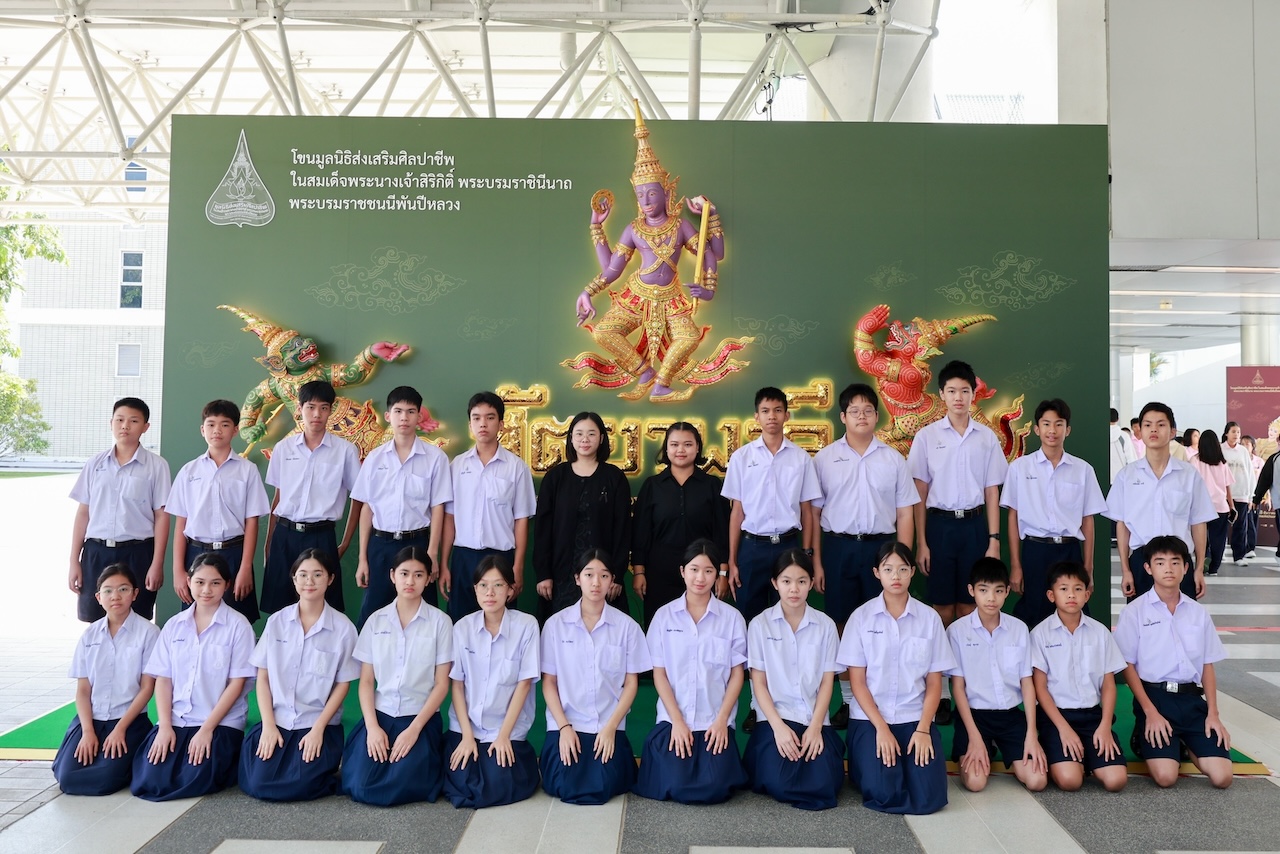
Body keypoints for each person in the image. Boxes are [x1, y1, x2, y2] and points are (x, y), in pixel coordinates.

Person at [811, 382, 917, 727]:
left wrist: (902, 561)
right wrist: (816, 561)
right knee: (842, 623)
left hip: (881, 549)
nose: (861, 416)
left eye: (868, 410)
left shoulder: (893, 459)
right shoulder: (825, 459)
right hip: (838, 547)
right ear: (843, 417)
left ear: (876, 416)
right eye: (854, 411)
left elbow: (905, 513)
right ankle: (846, 701)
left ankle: (879, 697)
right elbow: (814, 514)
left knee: (882, 621)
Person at [840, 542, 955, 815]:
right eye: (888, 569)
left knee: (930, 797)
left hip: (914, 717)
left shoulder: (929, 618)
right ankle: (867, 767)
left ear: (912, 572)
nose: (896, 576)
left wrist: (924, 729)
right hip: (871, 720)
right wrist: (881, 728)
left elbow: (934, 683)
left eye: (903, 569)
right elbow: (857, 683)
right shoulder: (861, 618)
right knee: (884, 793)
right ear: (876, 573)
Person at [131, 553, 256, 801]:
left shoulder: (239, 626)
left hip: (219, 721)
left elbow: (237, 684)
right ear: (188, 582)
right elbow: (163, 679)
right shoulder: (174, 625)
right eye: (199, 582)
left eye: (215, 583)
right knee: (149, 779)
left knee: (197, 777)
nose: (206, 590)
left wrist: (207, 729)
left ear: (227, 585)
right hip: (178, 719)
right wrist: (164, 726)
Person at [633, 539, 749, 804]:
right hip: (674, 720)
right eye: (694, 570)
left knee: (715, 789)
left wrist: (721, 721)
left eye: (708, 571)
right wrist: (677, 721)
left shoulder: (732, 619)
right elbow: (659, 674)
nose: (700, 578)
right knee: (673, 784)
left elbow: (737, 675)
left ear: (717, 575)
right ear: (682, 571)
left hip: (714, 721)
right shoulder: (664, 617)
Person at [239, 549, 360, 801]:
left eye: (318, 574)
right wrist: (268, 725)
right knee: (258, 783)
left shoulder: (343, 628)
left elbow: (342, 686)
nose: (309, 581)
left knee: (301, 785)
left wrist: (318, 729)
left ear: (330, 579)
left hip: (316, 723)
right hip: (278, 720)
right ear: (294, 579)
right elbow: (263, 678)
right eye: (302, 575)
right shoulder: (277, 622)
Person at [1114, 536, 1232, 789]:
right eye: (1160, 562)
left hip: (1191, 701)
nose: (1168, 568)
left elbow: (1207, 665)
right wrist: (1149, 712)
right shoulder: (1134, 612)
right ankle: (1145, 733)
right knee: (1166, 777)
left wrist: (1213, 714)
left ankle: (1185, 740)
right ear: (1148, 568)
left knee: (1222, 778)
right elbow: (1127, 666)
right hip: (1155, 699)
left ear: (1186, 567)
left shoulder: (1198, 613)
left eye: (1175, 562)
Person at [342, 546, 453, 806]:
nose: (410, 581)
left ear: (428, 579)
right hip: (381, 716)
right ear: (392, 576)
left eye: (418, 574)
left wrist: (414, 730)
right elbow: (366, 682)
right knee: (359, 783)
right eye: (404, 573)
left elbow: (441, 685)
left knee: (405, 784)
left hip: (419, 718)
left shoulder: (441, 622)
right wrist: (372, 728)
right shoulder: (375, 621)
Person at [540, 549, 651, 805]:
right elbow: (549, 683)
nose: (596, 582)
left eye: (604, 575)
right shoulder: (555, 625)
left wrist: (610, 728)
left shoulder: (627, 627)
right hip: (567, 723)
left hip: (608, 724)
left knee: (607, 783)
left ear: (612, 580)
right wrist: (564, 728)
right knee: (562, 783)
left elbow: (631, 683)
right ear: (577, 578)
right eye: (589, 575)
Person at [907, 360, 1007, 628]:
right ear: (942, 394)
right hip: (939, 527)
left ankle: (966, 656)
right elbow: (920, 493)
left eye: (964, 391)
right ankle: (941, 657)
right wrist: (922, 543)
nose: (958, 397)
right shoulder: (926, 436)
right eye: (951, 391)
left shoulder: (986, 437)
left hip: (974, 527)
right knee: (941, 607)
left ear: (973, 394)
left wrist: (994, 540)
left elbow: (992, 492)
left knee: (969, 605)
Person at [744, 549, 845, 811]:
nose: (794, 589)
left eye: (801, 581)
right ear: (775, 583)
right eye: (786, 581)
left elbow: (827, 683)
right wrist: (778, 728)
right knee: (780, 781)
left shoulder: (826, 626)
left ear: (811, 583)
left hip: (813, 716)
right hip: (775, 718)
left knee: (825, 783)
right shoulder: (760, 625)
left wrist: (815, 727)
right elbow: (758, 683)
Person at [444, 554, 542, 809]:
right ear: (475, 589)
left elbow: (524, 685)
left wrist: (503, 736)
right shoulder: (462, 628)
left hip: (505, 728)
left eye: (498, 585)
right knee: (462, 781)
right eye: (483, 585)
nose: (490, 592)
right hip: (467, 727)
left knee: (498, 784)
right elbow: (457, 685)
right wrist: (467, 736)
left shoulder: (526, 626)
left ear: (510, 589)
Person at [53, 564, 159, 795]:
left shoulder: (149, 633)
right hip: (92, 720)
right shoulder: (89, 635)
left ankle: (129, 759)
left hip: (128, 721)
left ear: (135, 593)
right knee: (66, 777)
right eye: (108, 590)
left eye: (123, 589)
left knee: (106, 780)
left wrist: (120, 729)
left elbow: (146, 689)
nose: (115, 596)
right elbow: (83, 690)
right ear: (98, 597)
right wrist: (87, 731)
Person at [351, 386, 452, 628]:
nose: (404, 417)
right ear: (388, 416)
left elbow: (438, 508)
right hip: (381, 545)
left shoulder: (435, 458)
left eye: (410, 411)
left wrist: (433, 553)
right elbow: (367, 508)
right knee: (373, 615)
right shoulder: (375, 458)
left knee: (424, 617)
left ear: (419, 416)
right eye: (398, 411)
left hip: (418, 544)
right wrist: (362, 557)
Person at [1001, 399, 1106, 627]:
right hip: (1034, 551)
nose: (1052, 430)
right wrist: (1016, 565)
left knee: (1074, 615)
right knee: (1034, 616)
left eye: (1059, 424)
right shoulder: (1019, 468)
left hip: (1070, 551)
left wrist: (1088, 567)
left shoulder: (1083, 470)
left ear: (1067, 430)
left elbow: (1088, 521)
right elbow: (1013, 518)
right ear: (1037, 429)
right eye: (1046, 424)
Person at [946, 557, 1048, 793]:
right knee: (975, 782)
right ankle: (982, 747)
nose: (991, 598)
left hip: (1011, 716)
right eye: (983, 590)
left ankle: (1000, 749)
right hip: (974, 716)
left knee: (1037, 781)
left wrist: (1031, 734)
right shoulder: (957, 631)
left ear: (1007, 592)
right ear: (971, 590)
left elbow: (1027, 683)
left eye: (998, 590)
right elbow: (957, 687)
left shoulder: (1019, 629)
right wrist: (974, 737)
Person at [260, 379, 362, 614]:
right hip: (284, 535)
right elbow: (278, 496)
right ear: (300, 408)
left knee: (323, 608)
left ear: (331, 411)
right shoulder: (283, 448)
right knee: (280, 607)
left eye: (324, 408)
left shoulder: (345, 451)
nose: (317, 414)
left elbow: (358, 498)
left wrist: (345, 542)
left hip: (321, 536)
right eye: (311, 407)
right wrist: (269, 542)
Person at [723, 387, 821, 624]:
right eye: (765, 411)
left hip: (788, 546)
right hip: (752, 547)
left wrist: (806, 553)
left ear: (787, 415)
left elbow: (807, 511)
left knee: (789, 616)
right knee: (749, 618)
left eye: (778, 410)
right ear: (756, 416)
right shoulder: (742, 457)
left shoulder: (801, 458)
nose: (772, 416)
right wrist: (733, 561)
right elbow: (737, 512)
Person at [167, 399, 270, 623]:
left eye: (225, 424)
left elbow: (252, 523)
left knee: (237, 621)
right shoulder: (189, 471)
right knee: (195, 621)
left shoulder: (247, 470)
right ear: (202, 430)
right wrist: (178, 571)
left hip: (234, 554)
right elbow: (181, 524)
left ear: (235, 430)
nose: (217, 430)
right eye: (211, 424)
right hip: (196, 554)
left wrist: (245, 568)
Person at [68, 397, 171, 622]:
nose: (125, 426)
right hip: (96, 552)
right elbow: (83, 513)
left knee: (137, 620)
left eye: (133, 421)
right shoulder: (95, 463)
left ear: (145, 427)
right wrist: (74, 560)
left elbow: (162, 516)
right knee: (95, 620)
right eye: (120, 420)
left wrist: (157, 563)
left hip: (138, 553)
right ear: (111, 423)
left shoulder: (157, 466)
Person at [1030, 561, 1128, 792]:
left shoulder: (1100, 632)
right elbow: (1040, 688)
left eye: (1077, 589)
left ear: (1087, 594)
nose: (1071, 595)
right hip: (1057, 718)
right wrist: (1063, 729)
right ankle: (1059, 750)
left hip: (1093, 717)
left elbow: (1109, 685)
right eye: (1063, 589)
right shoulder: (1040, 634)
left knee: (1116, 781)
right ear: (1051, 595)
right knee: (1070, 781)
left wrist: (1105, 726)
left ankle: (1086, 756)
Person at [440, 392, 536, 622]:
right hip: (463, 558)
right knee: (461, 623)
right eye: (476, 418)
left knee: (501, 624)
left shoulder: (516, 468)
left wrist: (518, 567)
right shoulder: (457, 466)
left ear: (501, 424)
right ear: (470, 424)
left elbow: (521, 520)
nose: (483, 424)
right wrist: (444, 563)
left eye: (490, 417)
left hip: (501, 558)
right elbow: (449, 518)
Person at [1106, 402, 1215, 601]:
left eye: (1161, 424)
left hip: (1179, 561)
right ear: (1139, 430)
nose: (1154, 429)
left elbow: (1199, 523)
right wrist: (1126, 570)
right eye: (1147, 425)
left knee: (1182, 618)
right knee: (1141, 619)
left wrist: (1199, 568)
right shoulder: (1127, 476)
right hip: (1141, 561)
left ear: (1172, 431)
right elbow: (1122, 525)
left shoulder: (1189, 475)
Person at [631, 422, 730, 627]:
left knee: (703, 628)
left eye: (688, 444)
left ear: (697, 447)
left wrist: (722, 573)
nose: (681, 450)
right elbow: (641, 533)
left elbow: (722, 532)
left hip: (702, 573)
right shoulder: (652, 486)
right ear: (666, 449)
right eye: (674, 444)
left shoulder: (712, 485)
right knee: (661, 629)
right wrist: (639, 572)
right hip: (659, 573)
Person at [533, 412, 631, 619]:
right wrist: (544, 574)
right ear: (570, 438)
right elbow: (543, 530)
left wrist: (617, 576)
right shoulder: (555, 477)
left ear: (601, 438)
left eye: (591, 434)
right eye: (579, 434)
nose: (585, 439)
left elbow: (623, 530)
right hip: (561, 574)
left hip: (602, 576)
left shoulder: (614, 478)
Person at [1190, 430, 1234, 577]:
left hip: (1201, 506)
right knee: (1219, 539)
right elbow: (1227, 486)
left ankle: (1202, 563)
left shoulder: (1195, 460)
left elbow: (1191, 484)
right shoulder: (1222, 463)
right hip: (1220, 506)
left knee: (1200, 538)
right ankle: (1214, 567)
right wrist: (1232, 506)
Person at [1222, 422, 1256, 567]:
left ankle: (1239, 556)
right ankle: (1220, 553)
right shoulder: (1220, 449)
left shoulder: (1243, 451)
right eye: (1233, 431)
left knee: (1240, 526)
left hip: (1241, 493)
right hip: (1224, 495)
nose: (1236, 435)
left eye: (1238, 432)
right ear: (1226, 433)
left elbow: (1250, 473)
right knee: (1221, 526)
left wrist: (1250, 496)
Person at [1243, 435, 1262, 558]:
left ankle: (1250, 548)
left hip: (1255, 495)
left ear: (1253, 446)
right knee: (1243, 522)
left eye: (1247, 444)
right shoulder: (1239, 460)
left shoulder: (1259, 461)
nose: (1244, 447)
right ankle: (1243, 548)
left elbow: (1263, 480)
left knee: (1252, 522)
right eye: (1242, 444)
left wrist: (1266, 497)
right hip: (1241, 494)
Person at [1109, 407, 1137, 485]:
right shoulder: (1124, 436)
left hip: (1102, 479)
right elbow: (1131, 459)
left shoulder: (1099, 434)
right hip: (1120, 480)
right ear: (1118, 419)